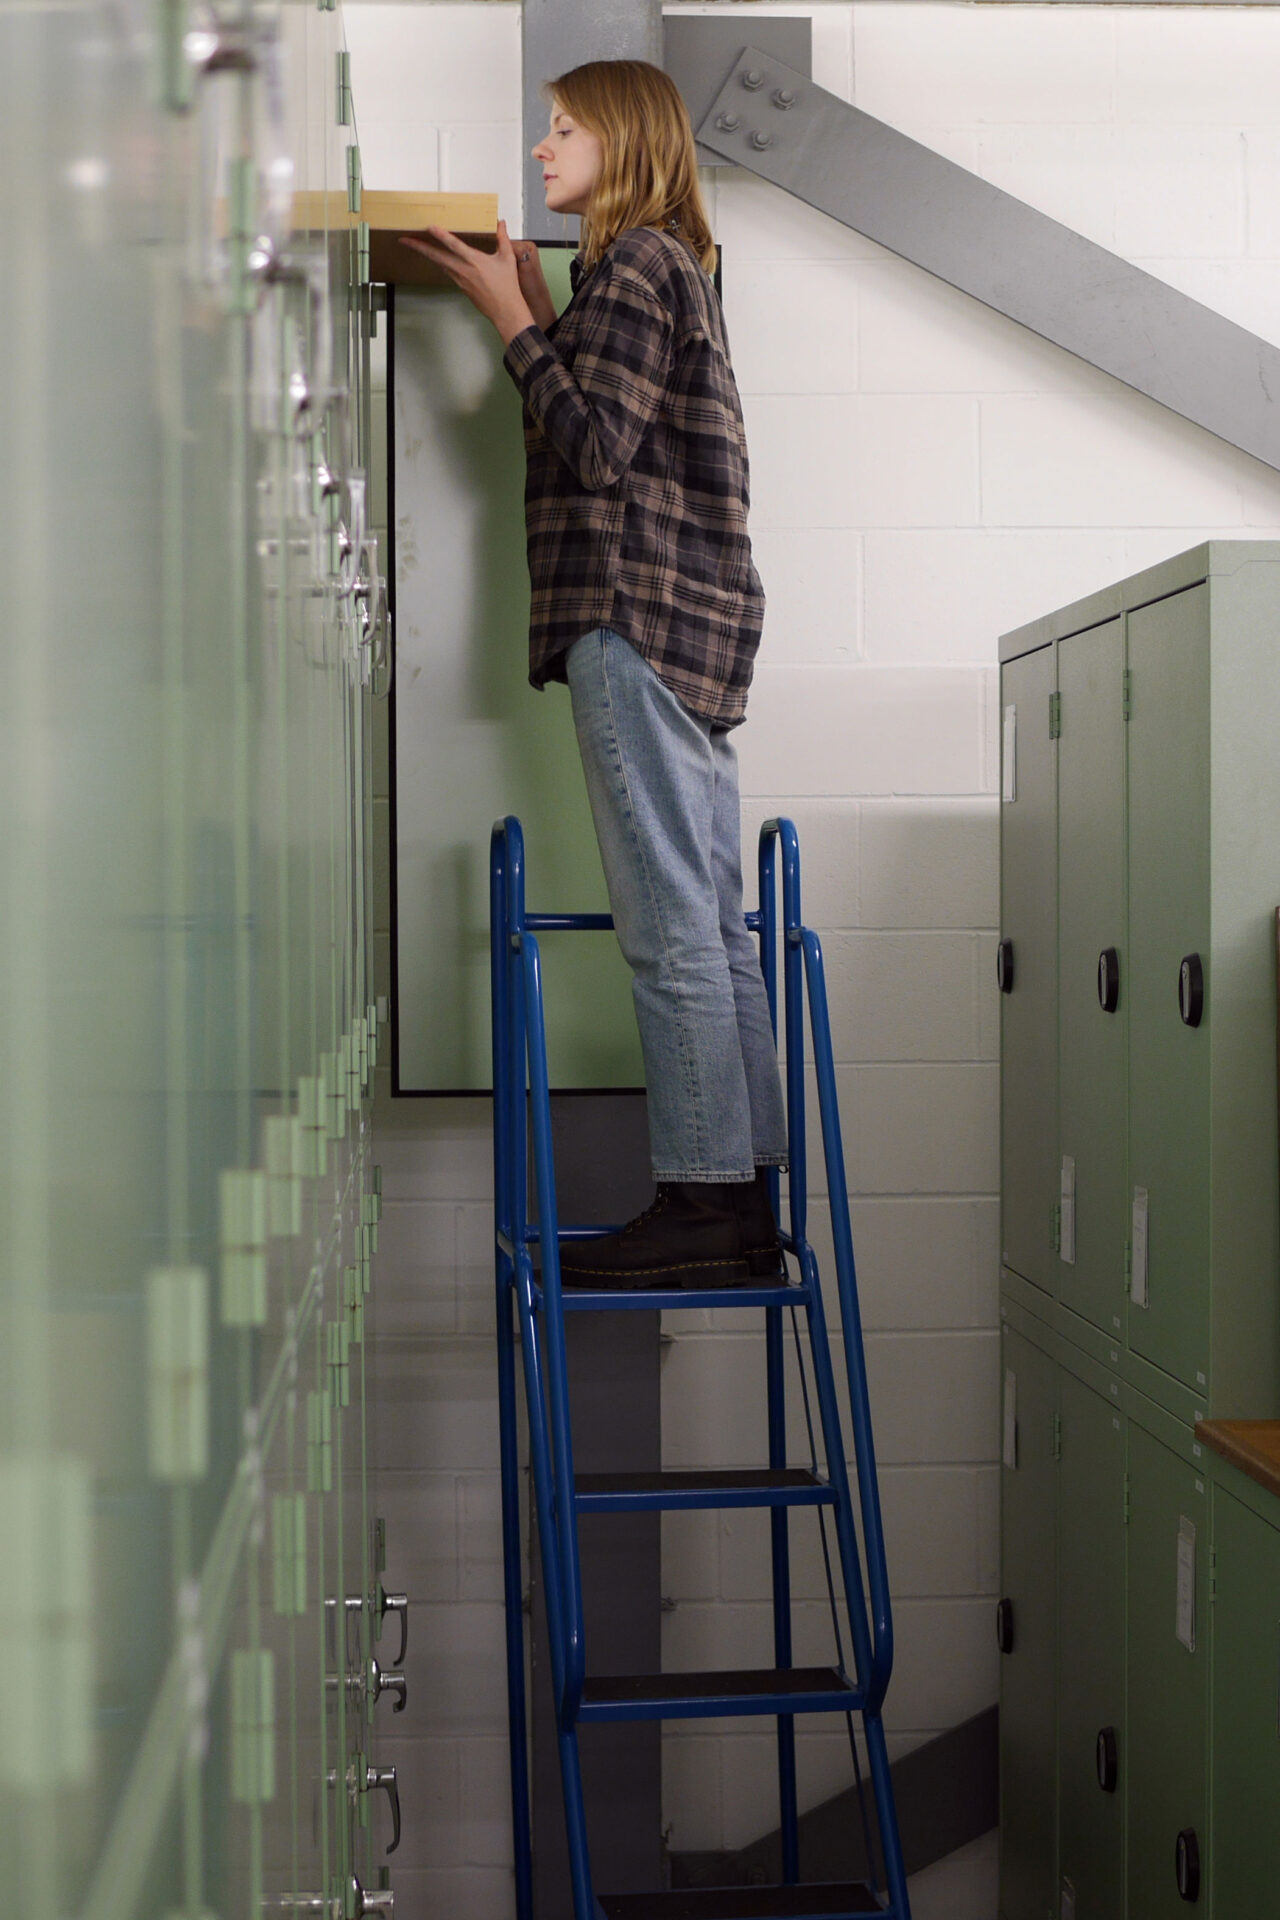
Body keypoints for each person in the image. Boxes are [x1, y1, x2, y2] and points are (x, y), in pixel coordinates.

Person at [402, 58, 787, 1288]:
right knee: (712, 925)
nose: (540, 148)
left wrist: (511, 323)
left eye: (562, 128)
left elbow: (595, 447)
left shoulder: (632, 264)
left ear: (621, 141)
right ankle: (744, 1187)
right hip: (694, 631)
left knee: (668, 926)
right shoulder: (676, 271)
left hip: (634, 622)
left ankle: (701, 1203)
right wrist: (538, 308)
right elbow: (620, 424)